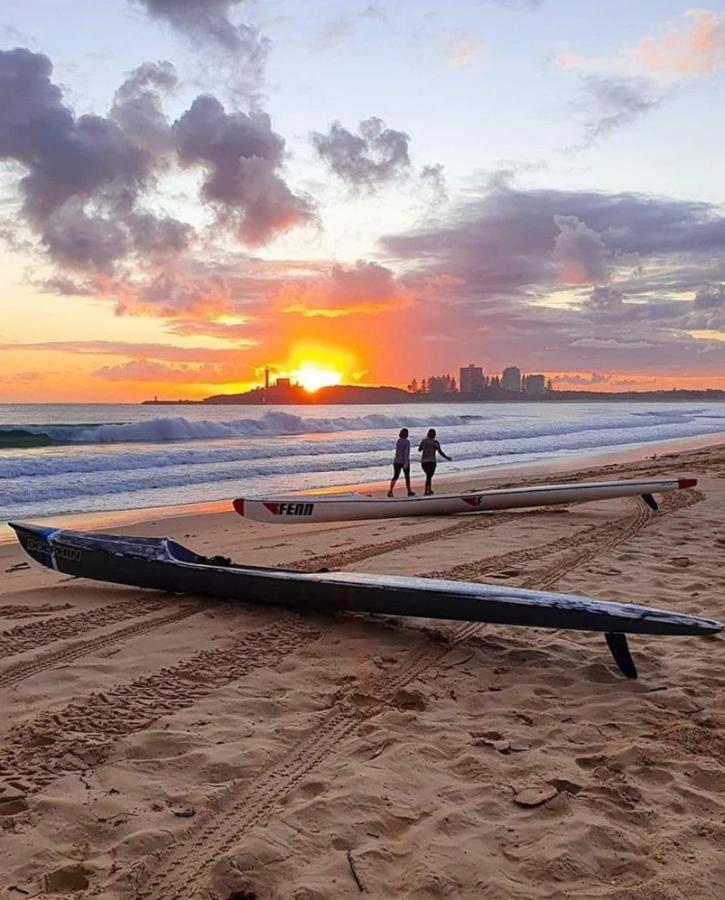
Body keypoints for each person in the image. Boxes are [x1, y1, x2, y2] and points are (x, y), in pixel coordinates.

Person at [418, 428, 451, 495]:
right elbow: (440, 452)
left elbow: (419, 449)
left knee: (428, 476)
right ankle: (427, 491)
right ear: (434, 435)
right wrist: (446, 457)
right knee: (429, 476)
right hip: (432, 461)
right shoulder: (435, 442)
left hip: (424, 462)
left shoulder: (424, 441)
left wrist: (423, 447)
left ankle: (428, 490)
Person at [388, 428, 415, 497]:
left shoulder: (398, 441)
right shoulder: (407, 442)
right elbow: (406, 453)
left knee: (395, 476)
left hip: (396, 461)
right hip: (404, 461)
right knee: (407, 477)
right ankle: (409, 491)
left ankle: (390, 490)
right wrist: (406, 463)